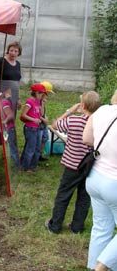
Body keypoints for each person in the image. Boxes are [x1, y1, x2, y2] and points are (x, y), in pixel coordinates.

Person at [45, 91, 101, 234]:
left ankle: (55, 225)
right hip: (90, 166)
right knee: (84, 196)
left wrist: (70, 111)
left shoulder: (74, 120)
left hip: (72, 165)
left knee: (63, 195)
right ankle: (77, 227)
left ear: (82, 105)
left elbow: (55, 125)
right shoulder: (100, 124)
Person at [83, 90, 117, 271]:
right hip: (114, 182)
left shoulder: (103, 110)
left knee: (101, 227)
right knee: (102, 226)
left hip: (95, 177)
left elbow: (87, 139)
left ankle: (93, 266)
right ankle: (101, 267)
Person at [0, 41, 22, 165]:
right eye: (11, 50)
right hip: (1, 97)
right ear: (8, 50)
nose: (13, 53)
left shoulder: (18, 64)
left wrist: (18, 99)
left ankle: (7, 152)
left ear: (19, 53)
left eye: (16, 51)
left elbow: (17, 83)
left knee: (9, 124)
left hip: (13, 98)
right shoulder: (0, 62)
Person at [19, 83, 47, 173]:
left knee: (35, 147)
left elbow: (41, 114)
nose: (43, 96)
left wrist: (42, 103)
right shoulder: (29, 102)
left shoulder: (38, 101)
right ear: (36, 93)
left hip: (36, 128)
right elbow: (23, 114)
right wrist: (33, 120)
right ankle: (26, 167)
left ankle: (30, 165)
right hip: (30, 128)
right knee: (30, 148)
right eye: (42, 94)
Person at [1, 89, 20, 169]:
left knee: (12, 146)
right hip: (9, 128)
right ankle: (12, 162)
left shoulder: (4, 102)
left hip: (8, 128)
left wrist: (4, 121)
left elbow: (11, 115)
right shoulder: (10, 100)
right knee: (9, 144)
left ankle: (16, 166)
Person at [39, 81, 55, 161]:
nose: (47, 95)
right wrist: (44, 119)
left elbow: (43, 113)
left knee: (45, 138)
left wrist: (46, 117)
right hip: (39, 125)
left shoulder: (43, 100)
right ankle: (36, 155)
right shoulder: (38, 101)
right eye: (47, 93)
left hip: (43, 124)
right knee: (39, 140)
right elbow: (39, 114)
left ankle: (39, 154)